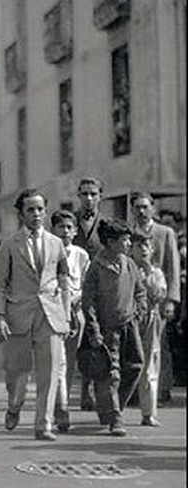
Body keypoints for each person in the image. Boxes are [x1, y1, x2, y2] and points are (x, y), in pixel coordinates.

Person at [0, 188, 70, 441]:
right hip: (18, 315)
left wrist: (66, 315)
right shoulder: (9, 245)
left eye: (40, 209)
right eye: (30, 210)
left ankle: (43, 424)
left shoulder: (56, 243)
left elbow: (64, 279)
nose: (36, 214)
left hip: (50, 316)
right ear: (21, 214)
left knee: (50, 373)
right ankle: (14, 405)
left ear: (45, 212)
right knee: (17, 373)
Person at [81, 219, 146, 436]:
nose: (129, 244)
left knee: (136, 366)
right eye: (125, 240)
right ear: (110, 242)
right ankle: (115, 417)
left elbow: (140, 291)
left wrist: (140, 310)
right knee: (111, 373)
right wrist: (94, 330)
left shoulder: (129, 264)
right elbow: (88, 302)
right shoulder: (96, 266)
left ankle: (111, 407)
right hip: (106, 329)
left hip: (129, 325)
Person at [129, 192, 181, 405]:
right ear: (132, 210)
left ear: (153, 208)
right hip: (134, 298)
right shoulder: (129, 232)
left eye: (145, 207)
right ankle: (137, 392)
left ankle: (161, 390)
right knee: (136, 344)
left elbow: (173, 267)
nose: (141, 211)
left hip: (158, 294)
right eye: (137, 207)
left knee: (160, 344)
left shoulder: (165, 232)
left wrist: (171, 300)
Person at [48, 209, 90, 433]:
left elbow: (86, 284)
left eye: (69, 227)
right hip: (52, 311)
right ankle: (59, 408)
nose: (65, 231)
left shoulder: (81, 255)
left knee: (69, 362)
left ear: (75, 232)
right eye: (60, 227)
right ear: (53, 230)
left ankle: (60, 405)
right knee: (56, 361)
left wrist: (75, 300)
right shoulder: (47, 252)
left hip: (75, 311)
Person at [71, 177, 111, 412]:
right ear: (78, 196)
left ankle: (94, 391)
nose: (88, 198)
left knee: (97, 340)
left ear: (100, 196)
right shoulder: (69, 222)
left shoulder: (107, 224)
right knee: (77, 342)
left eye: (93, 194)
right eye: (84, 193)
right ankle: (77, 390)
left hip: (101, 291)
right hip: (74, 292)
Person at [131, 230, 167, 427]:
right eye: (139, 246)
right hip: (130, 319)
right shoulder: (127, 269)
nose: (143, 249)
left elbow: (158, 295)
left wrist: (147, 272)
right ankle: (114, 409)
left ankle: (148, 412)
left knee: (150, 365)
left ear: (152, 250)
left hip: (150, 319)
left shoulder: (157, 273)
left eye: (147, 246)